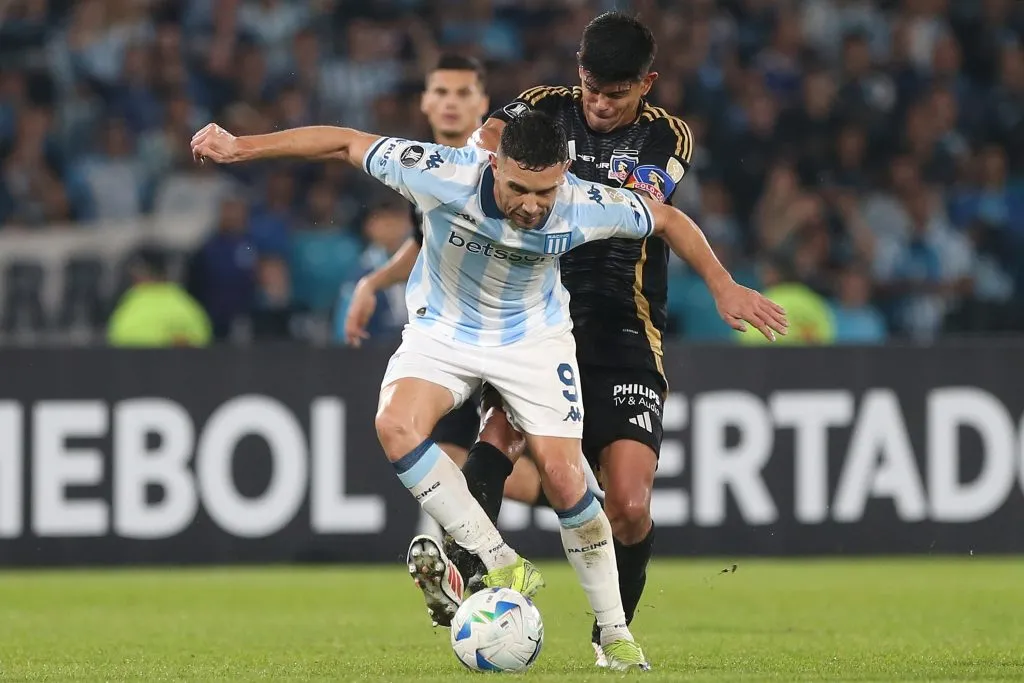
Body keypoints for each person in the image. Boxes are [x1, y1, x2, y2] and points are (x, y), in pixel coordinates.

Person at [190, 110, 786, 672]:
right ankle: (499, 559)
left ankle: (614, 634)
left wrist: (723, 284)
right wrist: (244, 146)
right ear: (495, 164)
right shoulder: (441, 173)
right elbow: (346, 141)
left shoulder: (583, 203)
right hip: (444, 332)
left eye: (545, 193)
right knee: (394, 424)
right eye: (519, 190)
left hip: (534, 340)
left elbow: (667, 218)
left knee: (565, 477)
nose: (532, 206)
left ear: (563, 179)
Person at [431, 11, 712, 665]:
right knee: (497, 434)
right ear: (578, 71)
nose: (601, 103)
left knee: (631, 505)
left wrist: (723, 286)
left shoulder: (667, 136)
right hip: (536, 313)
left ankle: (607, 634)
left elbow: (638, 210)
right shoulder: (543, 107)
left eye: (617, 92)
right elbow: (488, 140)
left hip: (623, 324)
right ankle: (462, 576)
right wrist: (481, 155)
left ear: (648, 84)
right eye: (591, 86)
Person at [341, 55, 558, 539]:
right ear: (425, 102)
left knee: (481, 457)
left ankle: (574, 511)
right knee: (453, 454)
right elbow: (426, 243)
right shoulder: (424, 169)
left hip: (520, 332)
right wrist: (373, 283)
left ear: (484, 103)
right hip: (456, 334)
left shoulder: (511, 164)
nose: (451, 103)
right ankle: (457, 561)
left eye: (463, 94)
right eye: (440, 92)